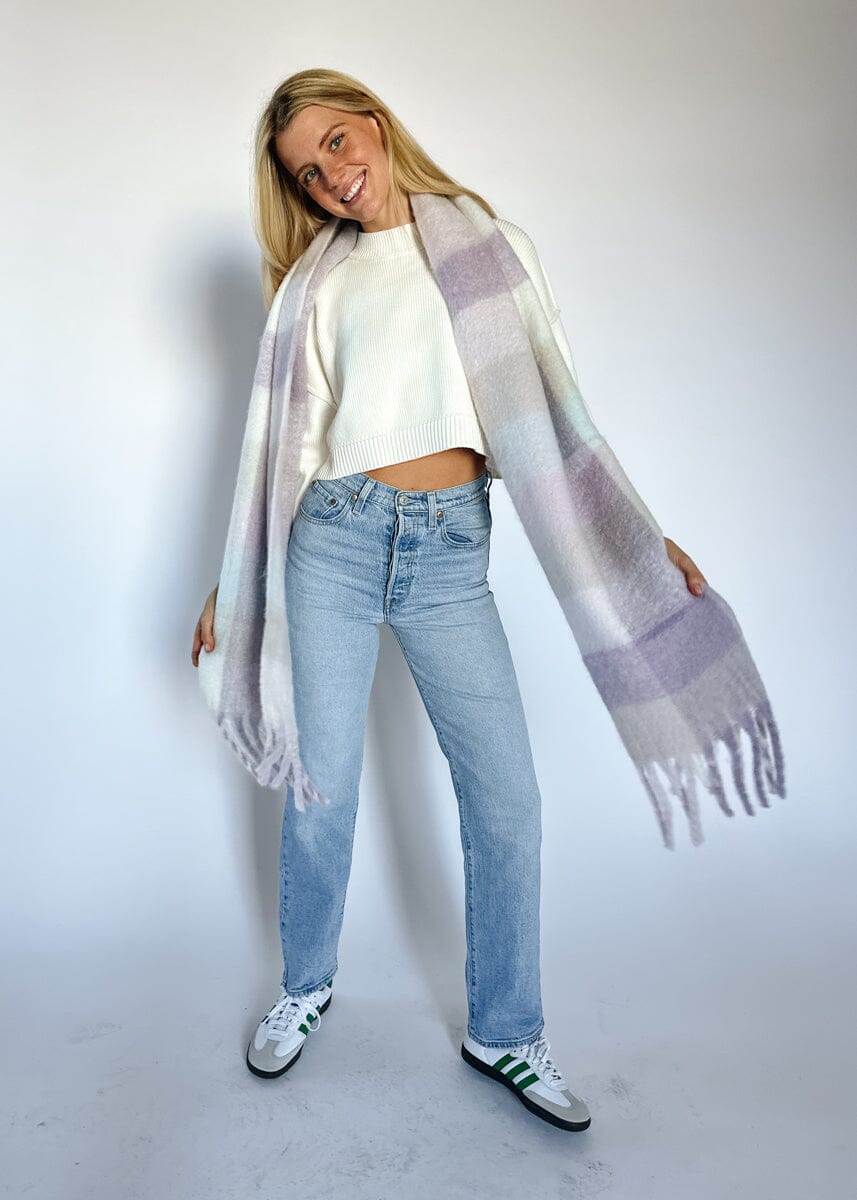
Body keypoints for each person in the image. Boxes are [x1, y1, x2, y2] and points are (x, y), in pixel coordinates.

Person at [191, 68, 706, 1133]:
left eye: (337, 142)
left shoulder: (488, 246)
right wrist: (230, 585)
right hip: (333, 540)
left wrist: (639, 538)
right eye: (307, 170)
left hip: (448, 552)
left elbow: (557, 412)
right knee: (321, 789)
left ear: (373, 123)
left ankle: (504, 1031)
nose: (331, 175)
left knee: (507, 800)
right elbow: (284, 453)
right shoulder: (316, 287)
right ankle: (306, 984)